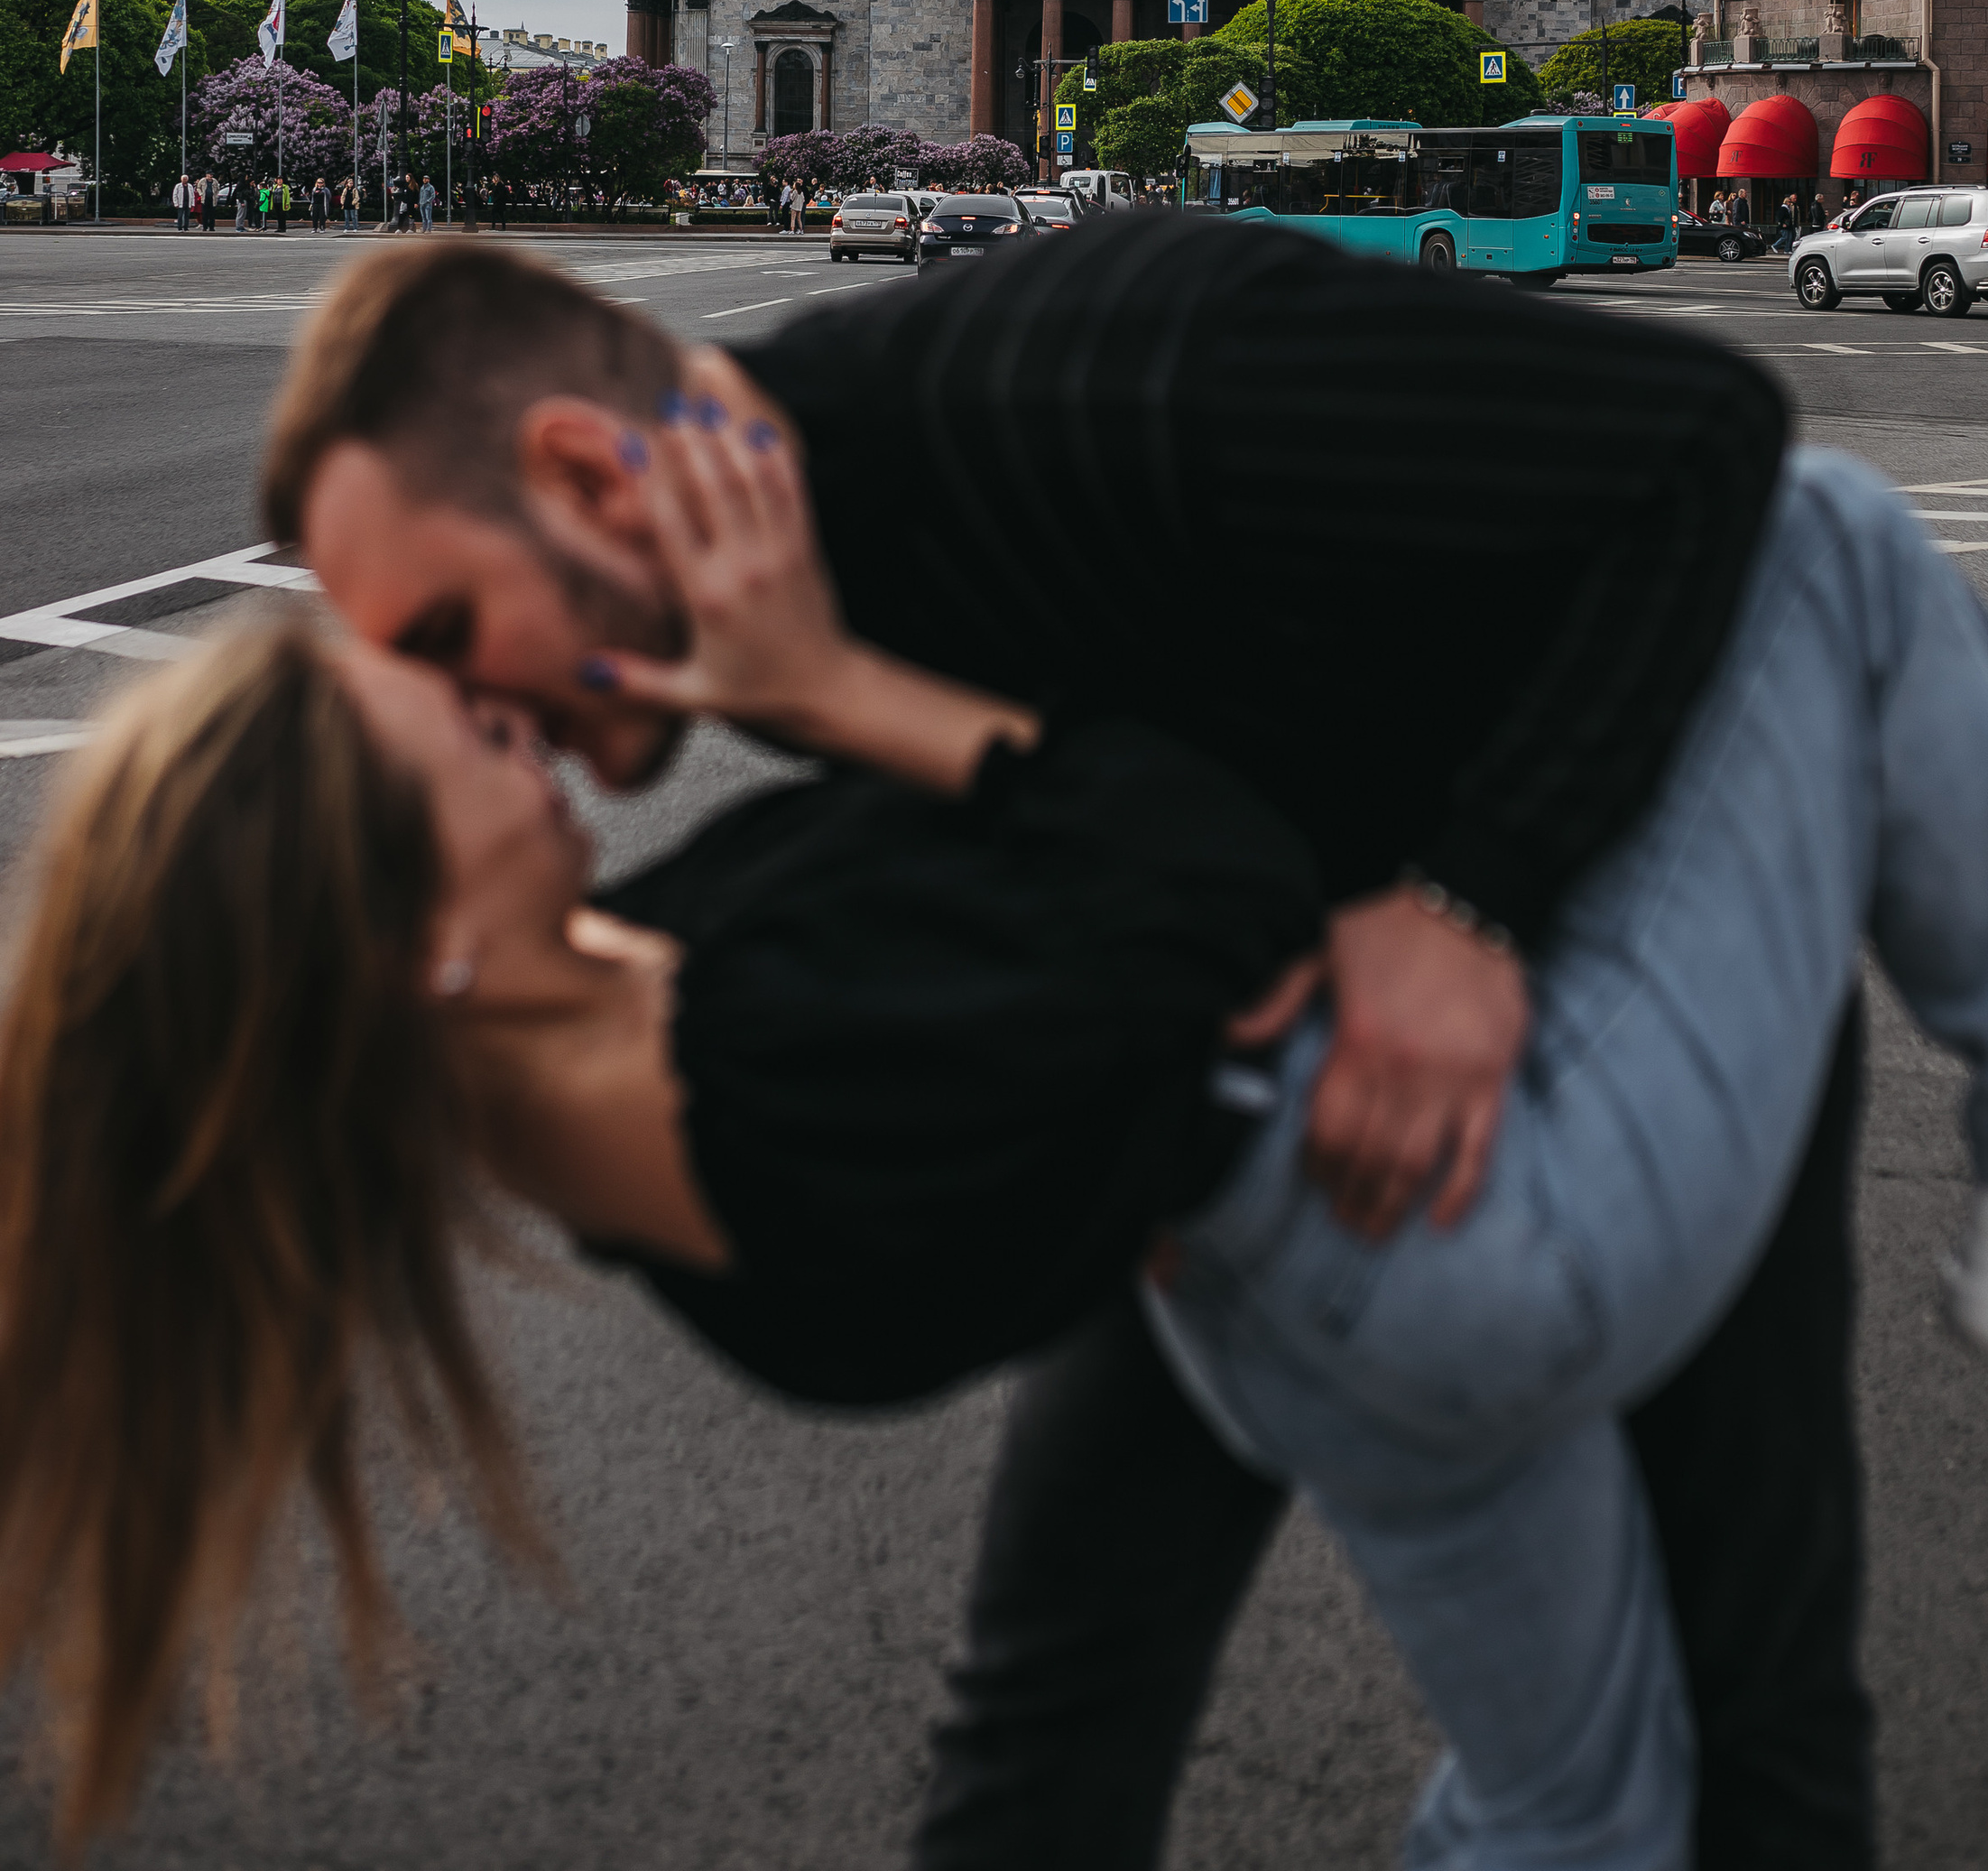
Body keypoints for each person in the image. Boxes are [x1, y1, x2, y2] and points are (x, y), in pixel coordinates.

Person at [0, 377, 1988, 1862]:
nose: (459, 693)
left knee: (1587, 1810)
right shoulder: (733, 1066)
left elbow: (1053, 986)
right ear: (382, 937)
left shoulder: (600, 1013)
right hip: (1482, 1240)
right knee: (1822, 536)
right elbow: (1195, 881)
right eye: (399, 720)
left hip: (1300, 1290)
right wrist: (837, 688)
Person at [252, 239, 1826, 1857]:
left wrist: (1471, 895)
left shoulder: (1079, 362)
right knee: (1059, 1699)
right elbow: (976, 896)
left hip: (1597, 929)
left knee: (1740, 1670)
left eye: (446, 633)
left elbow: (1707, 433)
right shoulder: (761, 654)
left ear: (583, 468)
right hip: (1209, 1103)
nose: (477, 707)